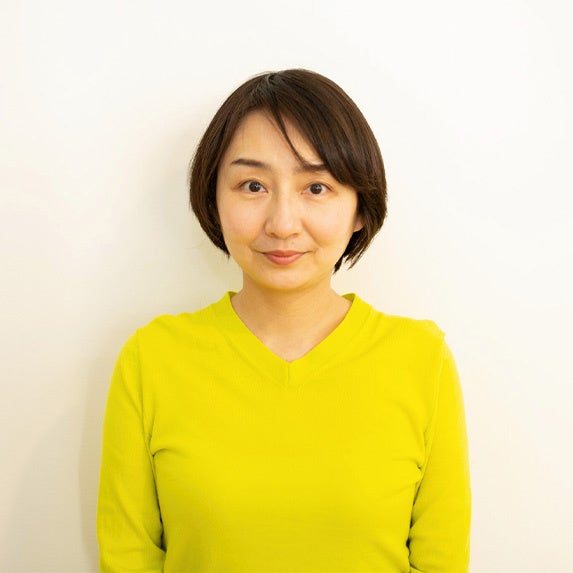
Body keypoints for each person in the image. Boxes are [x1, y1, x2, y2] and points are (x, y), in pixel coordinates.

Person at [97, 69, 471, 572]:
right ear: (213, 199)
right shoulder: (151, 360)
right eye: (253, 185)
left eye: (316, 187)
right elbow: (128, 556)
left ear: (360, 208)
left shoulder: (422, 360)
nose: (283, 223)